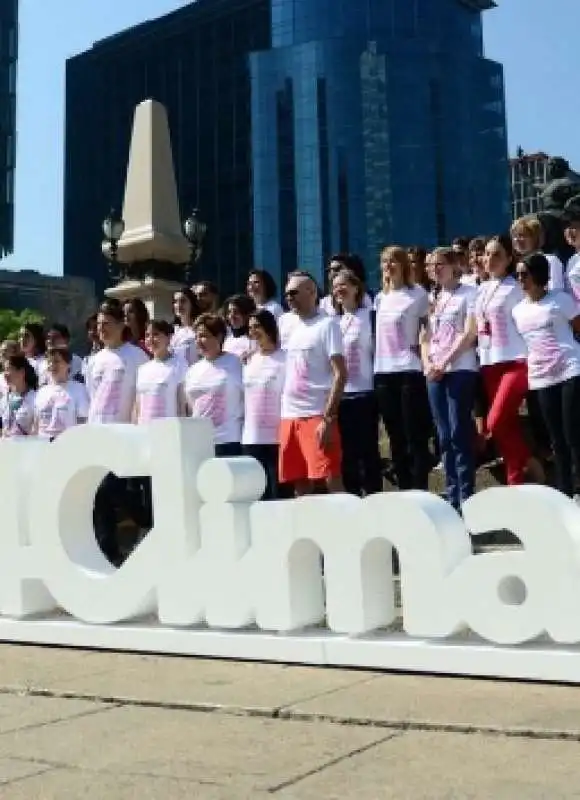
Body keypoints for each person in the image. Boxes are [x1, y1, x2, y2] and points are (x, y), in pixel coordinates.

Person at [85, 300, 150, 565]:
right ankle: (107, 549)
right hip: (97, 433)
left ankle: (147, 522)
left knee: (118, 488)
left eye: (107, 324)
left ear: (122, 324)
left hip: (125, 434)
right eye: (99, 325)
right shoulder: (94, 361)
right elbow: (92, 395)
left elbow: (141, 395)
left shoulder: (136, 356)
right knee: (99, 494)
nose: (102, 329)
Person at [475, 235, 544, 485]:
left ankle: (525, 468)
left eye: (496, 255)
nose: (490, 259)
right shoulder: (480, 289)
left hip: (515, 361)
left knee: (495, 421)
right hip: (489, 361)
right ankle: (519, 474)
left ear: (508, 259)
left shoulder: (515, 287)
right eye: (487, 254)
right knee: (507, 426)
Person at [512, 252, 580, 497]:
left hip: (570, 371)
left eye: (525, 274)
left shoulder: (560, 300)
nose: (520, 279)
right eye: (517, 274)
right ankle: (565, 491)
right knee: (556, 439)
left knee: (573, 434)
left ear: (538, 275)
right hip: (541, 377)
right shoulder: (518, 310)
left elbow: (577, 327)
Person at [279, 271, 346, 496]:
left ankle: (351, 527)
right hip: (290, 416)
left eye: (294, 292)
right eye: (287, 293)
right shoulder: (287, 325)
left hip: (316, 414)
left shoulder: (328, 325)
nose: (289, 297)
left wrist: (328, 417)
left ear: (312, 292)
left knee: (329, 478)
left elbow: (340, 373)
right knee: (298, 481)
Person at [422, 248, 478, 512]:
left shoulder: (469, 293)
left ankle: (466, 496)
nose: (434, 269)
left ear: (454, 265)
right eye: (430, 265)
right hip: (434, 372)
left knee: (459, 431)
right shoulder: (432, 298)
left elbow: (469, 334)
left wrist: (445, 362)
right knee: (443, 435)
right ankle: (452, 495)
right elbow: (424, 337)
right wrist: (429, 363)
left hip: (460, 369)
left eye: (439, 264)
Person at [373, 246, 432, 490]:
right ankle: (404, 489)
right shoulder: (379, 297)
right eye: (385, 261)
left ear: (404, 265)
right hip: (383, 372)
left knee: (413, 435)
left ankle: (419, 487)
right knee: (395, 435)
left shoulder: (417, 293)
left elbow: (427, 329)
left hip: (408, 369)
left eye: (393, 261)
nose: (388, 265)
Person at [332, 268, 383, 496]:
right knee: (347, 454)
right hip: (341, 395)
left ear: (356, 288)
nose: (339, 290)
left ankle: (374, 496)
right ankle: (352, 497)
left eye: (343, 285)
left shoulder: (370, 315)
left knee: (368, 451)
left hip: (365, 393)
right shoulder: (334, 322)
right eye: (335, 286)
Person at [184, 313, 244, 457]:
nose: (199, 341)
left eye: (204, 336)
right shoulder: (193, 370)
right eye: (196, 337)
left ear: (218, 337)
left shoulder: (235, 363)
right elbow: (190, 406)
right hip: (199, 442)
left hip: (228, 441)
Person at [242, 309, 286, 499]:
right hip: (251, 437)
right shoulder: (248, 360)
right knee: (257, 495)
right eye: (250, 327)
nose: (253, 331)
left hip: (276, 438)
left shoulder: (285, 357)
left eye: (257, 326)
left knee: (278, 494)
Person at [135, 320, 187, 423]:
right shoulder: (142, 369)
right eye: (147, 335)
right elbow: (137, 408)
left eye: (156, 334)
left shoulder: (179, 364)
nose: (151, 339)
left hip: (167, 432)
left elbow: (182, 406)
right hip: (145, 432)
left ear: (168, 338)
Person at [34, 346, 89, 440]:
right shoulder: (41, 392)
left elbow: (83, 423)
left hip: (66, 446)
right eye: (49, 362)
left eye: (56, 361)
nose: (51, 365)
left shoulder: (79, 389)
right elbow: (36, 424)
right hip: (43, 446)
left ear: (68, 364)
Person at [511, 215, 565, 291]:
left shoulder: (550, 260)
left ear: (535, 238)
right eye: (514, 236)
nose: (517, 240)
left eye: (522, 235)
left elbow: (556, 291)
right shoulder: (516, 265)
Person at [0, 354, 38, 437]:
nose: (5, 374)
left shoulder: (36, 399)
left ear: (22, 372)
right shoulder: (5, 399)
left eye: (9, 369)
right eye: (4, 370)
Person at [222, 294, 257, 360]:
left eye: (236, 312)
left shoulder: (255, 340)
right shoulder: (227, 339)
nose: (232, 316)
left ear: (247, 313)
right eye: (229, 312)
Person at [171, 287, 200, 366]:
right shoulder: (172, 330)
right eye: (175, 301)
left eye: (183, 301)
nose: (179, 305)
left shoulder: (200, 329)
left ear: (192, 304)